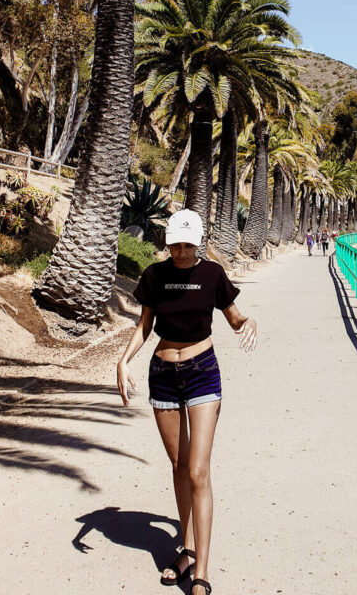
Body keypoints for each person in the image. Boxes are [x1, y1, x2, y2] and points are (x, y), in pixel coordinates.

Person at [117, 209, 257, 595]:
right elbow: (145, 324)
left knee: (198, 471)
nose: (180, 251)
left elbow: (233, 317)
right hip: (162, 373)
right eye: (174, 244)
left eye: (187, 245)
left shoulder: (211, 274)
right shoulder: (155, 275)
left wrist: (249, 323)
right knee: (179, 466)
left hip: (201, 371)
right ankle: (187, 548)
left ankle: (201, 573)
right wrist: (124, 359)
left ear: (198, 242)